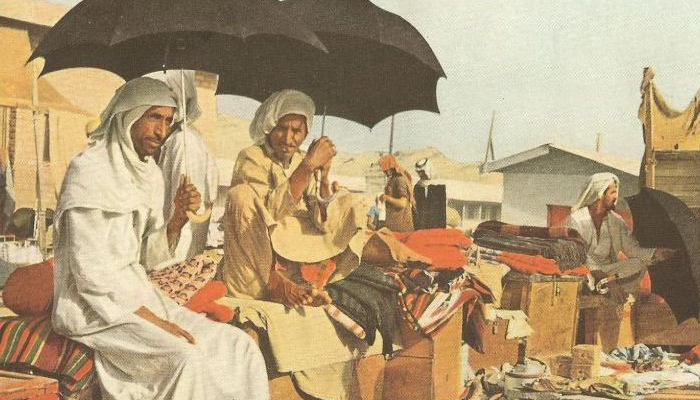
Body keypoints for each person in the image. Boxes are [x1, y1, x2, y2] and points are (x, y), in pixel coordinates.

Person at [51, 77, 269, 400]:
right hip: (93, 310)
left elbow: (149, 259)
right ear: (129, 115)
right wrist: (158, 323)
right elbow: (91, 279)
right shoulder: (88, 171)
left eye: (168, 120)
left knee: (240, 348)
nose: (162, 130)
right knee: (186, 358)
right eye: (154, 117)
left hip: (141, 297)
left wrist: (177, 219)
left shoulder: (149, 174)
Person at [222, 89, 368, 307]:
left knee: (350, 201)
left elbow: (323, 222)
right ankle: (275, 283)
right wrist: (307, 167)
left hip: (299, 242)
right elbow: (265, 213)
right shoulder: (251, 157)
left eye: (297, 131)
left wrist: (323, 176)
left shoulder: (302, 159)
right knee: (239, 195)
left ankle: (314, 281)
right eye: (282, 128)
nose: (289, 139)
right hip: (263, 244)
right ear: (270, 126)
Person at [147, 70, 219, 262]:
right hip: (161, 250)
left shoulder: (184, 144)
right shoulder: (168, 143)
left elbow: (186, 220)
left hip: (176, 258)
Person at [566, 172, 675, 298]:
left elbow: (632, 249)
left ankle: (607, 291)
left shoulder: (616, 220)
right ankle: (606, 290)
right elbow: (579, 256)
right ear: (600, 194)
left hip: (611, 273)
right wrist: (607, 281)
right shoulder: (576, 220)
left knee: (638, 264)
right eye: (612, 192)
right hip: (586, 272)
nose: (616, 197)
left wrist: (655, 253)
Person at [379, 154, 415, 232]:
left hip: (401, 227)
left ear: (391, 167)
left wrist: (386, 198)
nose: (384, 171)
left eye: (385, 169)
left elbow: (403, 203)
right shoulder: (392, 179)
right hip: (393, 225)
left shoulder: (399, 180)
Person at [413, 157, 447, 229]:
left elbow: (442, 210)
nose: (420, 174)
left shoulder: (439, 185)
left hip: (435, 224)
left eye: (422, 171)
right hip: (420, 225)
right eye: (418, 172)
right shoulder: (418, 186)